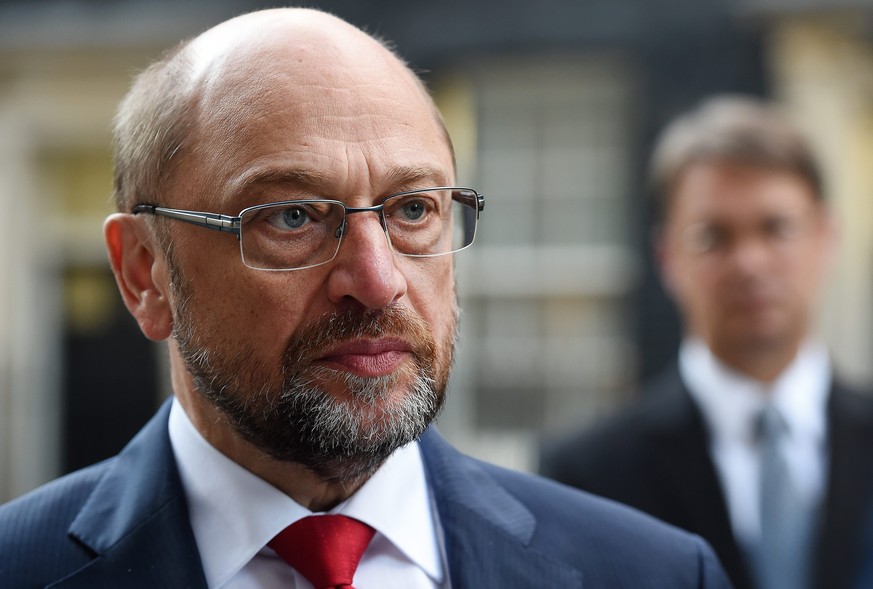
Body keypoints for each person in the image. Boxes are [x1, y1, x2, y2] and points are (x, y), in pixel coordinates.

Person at [0, 8, 730, 589]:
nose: (378, 280)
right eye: (291, 216)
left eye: (413, 210)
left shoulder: (654, 572)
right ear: (143, 273)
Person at [540, 95, 873, 589]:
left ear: (825, 238)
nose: (750, 263)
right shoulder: (586, 475)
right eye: (714, 236)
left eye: (776, 228)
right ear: (667, 258)